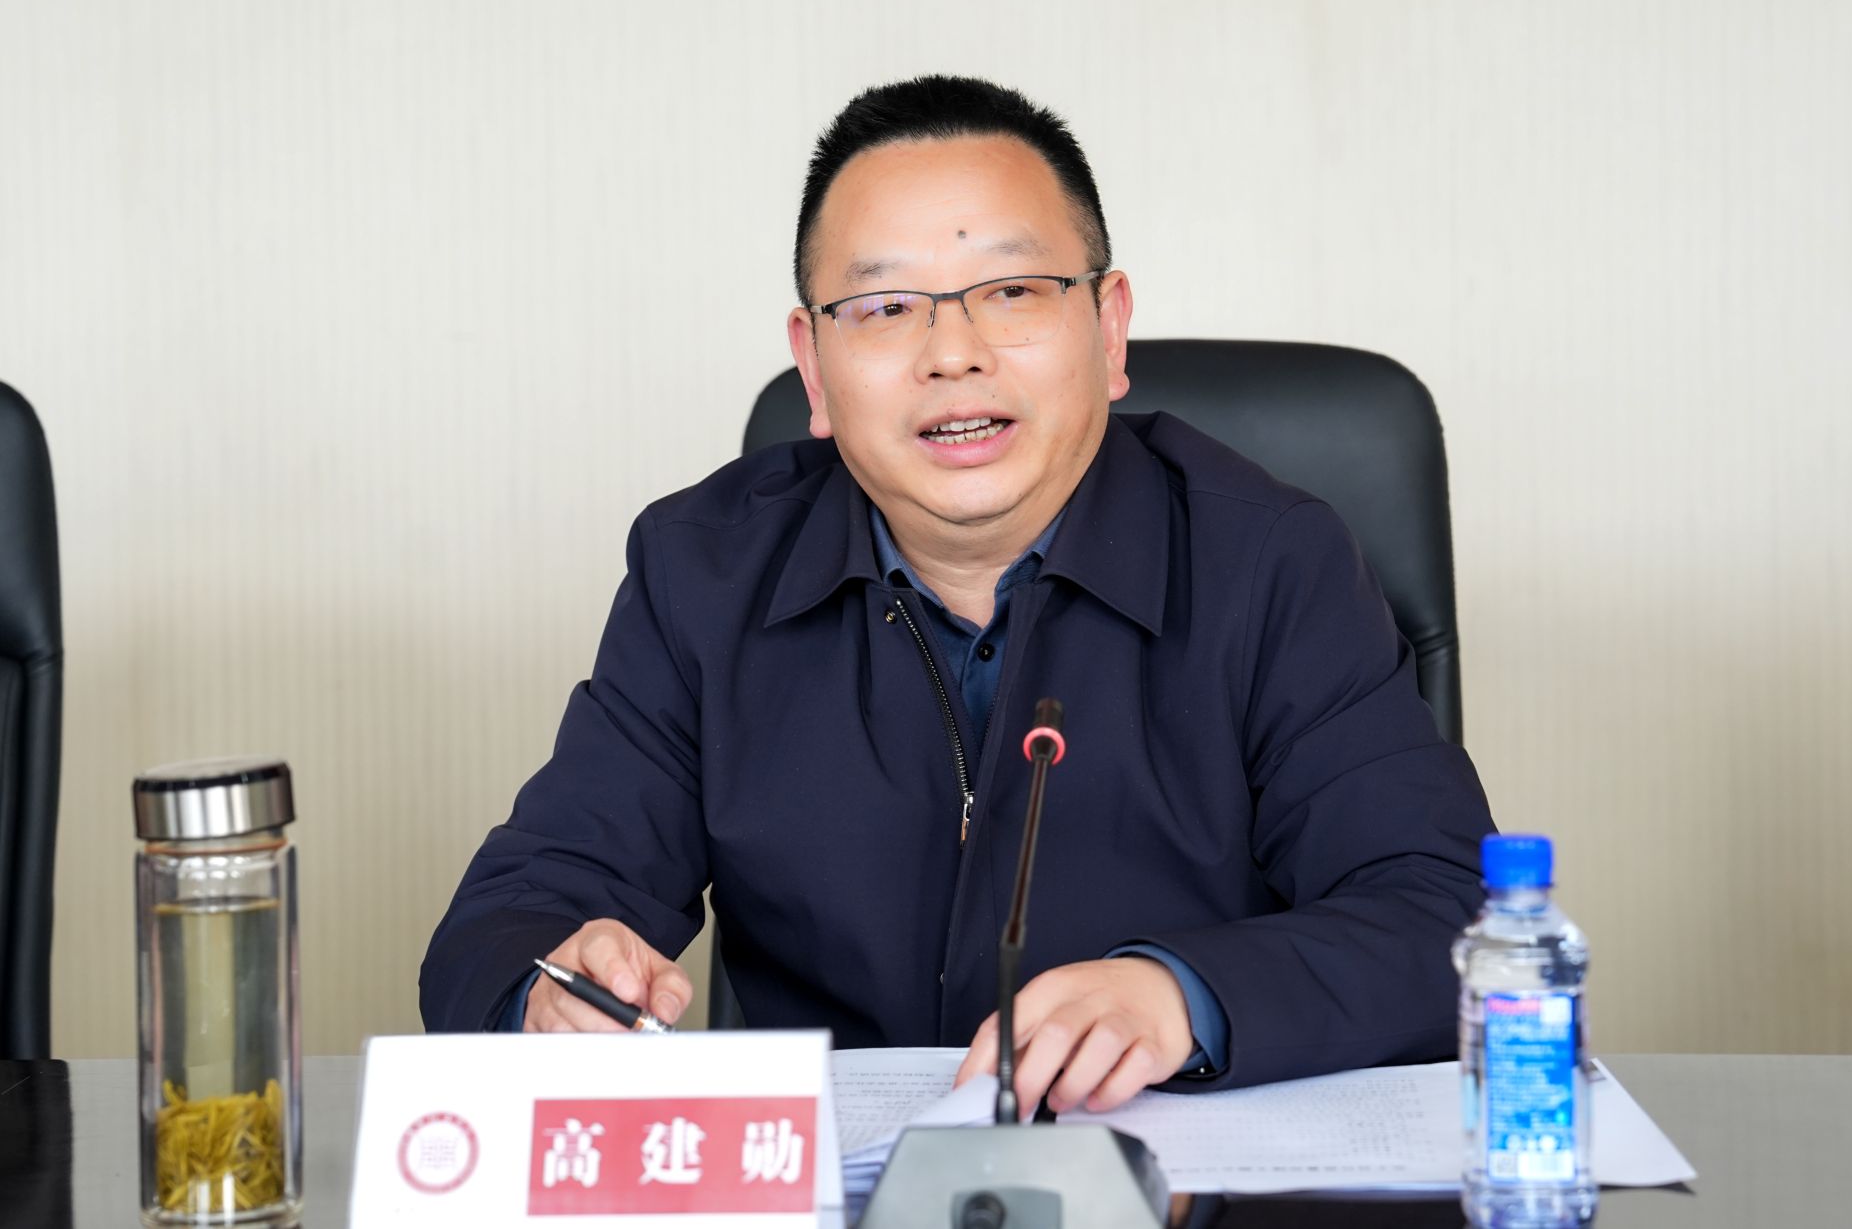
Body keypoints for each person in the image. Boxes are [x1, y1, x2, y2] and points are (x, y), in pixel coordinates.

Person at [420, 75, 1494, 1116]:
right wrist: (548, 990)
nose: (952, 355)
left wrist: (1181, 997)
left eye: (1012, 292)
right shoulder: (703, 573)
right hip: (836, 1192)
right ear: (814, 368)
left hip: (1168, 1185)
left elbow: (1443, 913)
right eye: (884, 306)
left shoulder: (1272, 563)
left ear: (1109, 328)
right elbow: (514, 915)